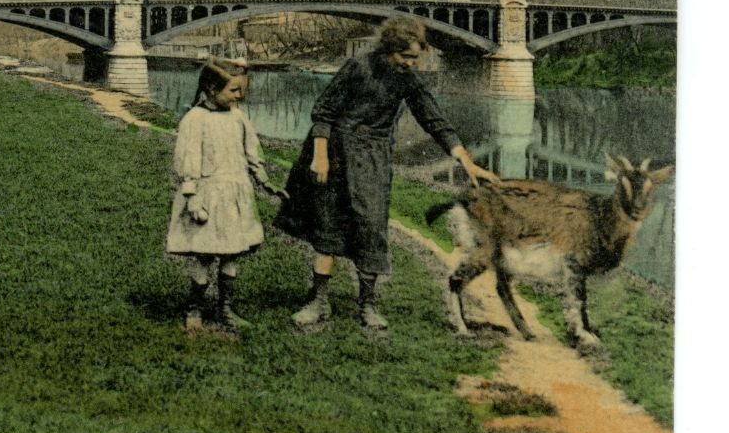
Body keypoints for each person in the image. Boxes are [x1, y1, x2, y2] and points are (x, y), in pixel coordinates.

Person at [275, 17, 497, 334]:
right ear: (388, 49)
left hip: (373, 159)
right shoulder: (358, 67)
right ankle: (317, 302)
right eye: (404, 56)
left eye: (414, 58)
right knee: (328, 227)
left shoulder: (407, 78)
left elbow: (434, 119)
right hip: (336, 154)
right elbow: (324, 111)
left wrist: (465, 160)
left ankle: (367, 304)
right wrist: (320, 157)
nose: (409, 63)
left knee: (371, 227)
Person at [168, 61, 283, 337]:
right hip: (208, 195)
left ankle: (225, 308)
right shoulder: (195, 120)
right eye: (233, 90)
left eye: (241, 91)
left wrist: (264, 180)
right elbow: (188, 161)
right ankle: (194, 309)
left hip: (236, 192)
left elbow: (251, 149)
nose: (239, 96)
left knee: (232, 252)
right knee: (205, 253)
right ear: (211, 88)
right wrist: (192, 198)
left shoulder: (237, 116)